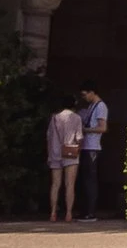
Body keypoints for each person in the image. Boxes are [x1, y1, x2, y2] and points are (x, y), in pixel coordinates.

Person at [46, 97, 82, 223]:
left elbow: (49, 136)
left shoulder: (54, 118)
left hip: (55, 153)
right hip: (70, 153)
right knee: (69, 185)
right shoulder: (77, 118)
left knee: (55, 184)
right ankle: (68, 213)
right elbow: (79, 138)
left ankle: (53, 213)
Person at [76, 89, 108, 219]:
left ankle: (91, 211)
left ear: (92, 92)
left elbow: (102, 127)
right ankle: (85, 210)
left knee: (90, 179)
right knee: (85, 179)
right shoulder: (91, 106)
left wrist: (86, 130)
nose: (84, 97)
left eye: (85, 94)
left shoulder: (101, 106)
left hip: (93, 147)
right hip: (86, 146)